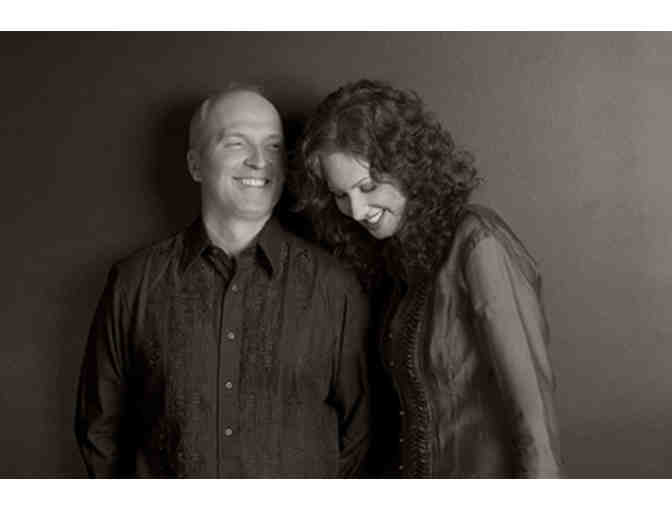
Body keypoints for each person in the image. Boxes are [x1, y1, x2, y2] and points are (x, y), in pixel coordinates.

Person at [75, 86, 371, 478]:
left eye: (273, 146)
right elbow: (100, 431)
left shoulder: (335, 287)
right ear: (195, 165)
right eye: (236, 143)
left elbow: (358, 435)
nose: (259, 161)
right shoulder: (133, 284)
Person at [291, 79, 561, 477]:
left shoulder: (477, 242)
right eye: (340, 195)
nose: (357, 210)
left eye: (368, 186)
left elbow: (534, 418)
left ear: (407, 168)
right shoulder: (396, 263)